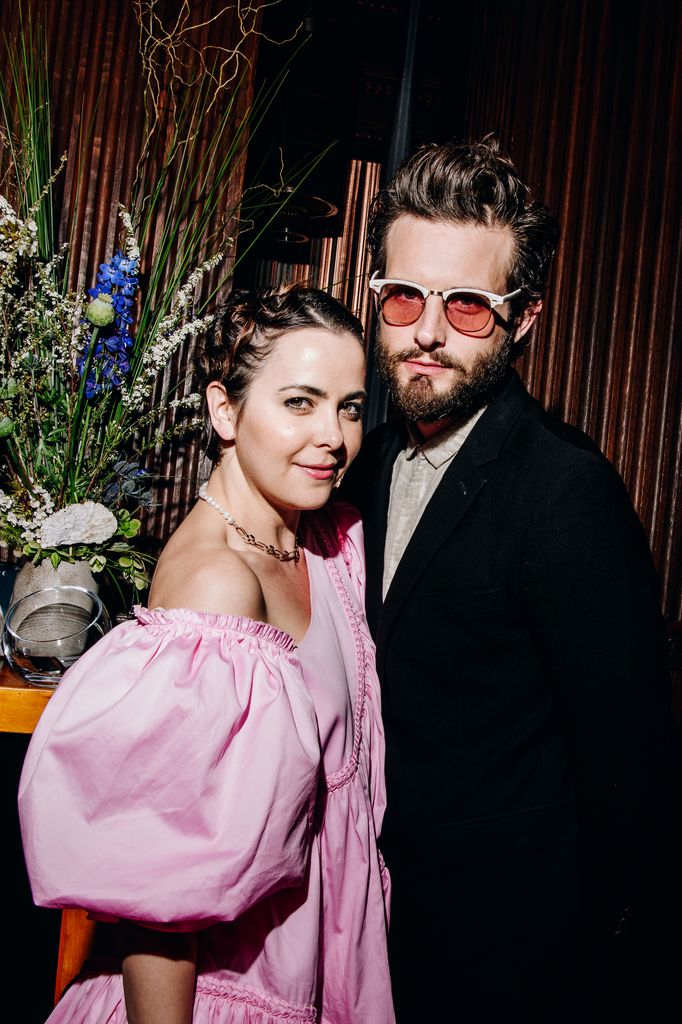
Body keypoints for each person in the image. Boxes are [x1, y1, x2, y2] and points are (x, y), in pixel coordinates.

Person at [342, 137, 680, 1022]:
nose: (426, 330)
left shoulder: (566, 492)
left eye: (468, 307)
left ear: (523, 319)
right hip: (364, 935)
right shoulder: (357, 465)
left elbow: (629, 778)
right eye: (406, 296)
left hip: (506, 966)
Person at [19, 285, 395, 1024]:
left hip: (323, 970)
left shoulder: (327, 543)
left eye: (350, 407)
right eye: (300, 402)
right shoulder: (215, 583)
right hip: (224, 997)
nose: (334, 436)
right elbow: (163, 894)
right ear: (225, 411)